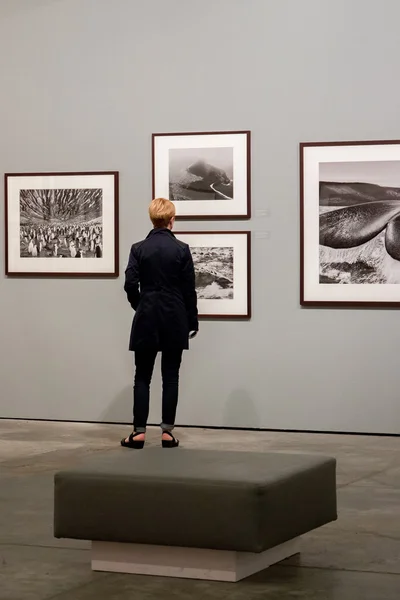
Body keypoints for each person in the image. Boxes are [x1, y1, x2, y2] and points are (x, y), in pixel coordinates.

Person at [121, 197, 198, 449]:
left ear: (152, 219)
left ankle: (139, 433)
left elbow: (130, 284)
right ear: (172, 220)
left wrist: (139, 305)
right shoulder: (181, 249)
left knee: (142, 376)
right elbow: (189, 290)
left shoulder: (138, 248)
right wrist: (192, 319)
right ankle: (167, 433)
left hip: (147, 316)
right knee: (171, 376)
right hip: (175, 317)